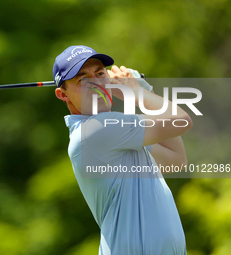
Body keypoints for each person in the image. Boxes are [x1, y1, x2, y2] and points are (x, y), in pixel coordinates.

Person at [53, 45, 192, 255]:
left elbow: (176, 160)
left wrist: (145, 92)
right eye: (82, 79)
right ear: (63, 95)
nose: (96, 83)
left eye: (100, 74)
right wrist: (137, 92)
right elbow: (181, 121)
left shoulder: (117, 137)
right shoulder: (96, 130)